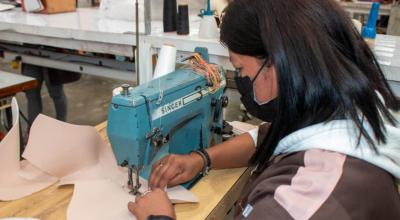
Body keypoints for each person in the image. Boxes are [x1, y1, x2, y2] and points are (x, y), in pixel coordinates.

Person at [128, 0, 400, 219]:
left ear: (278, 65)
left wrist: (159, 218)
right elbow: (271, 136)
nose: (243, 81)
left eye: (242, 69)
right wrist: (201, 159)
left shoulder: (299, 204)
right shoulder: (347, 114)